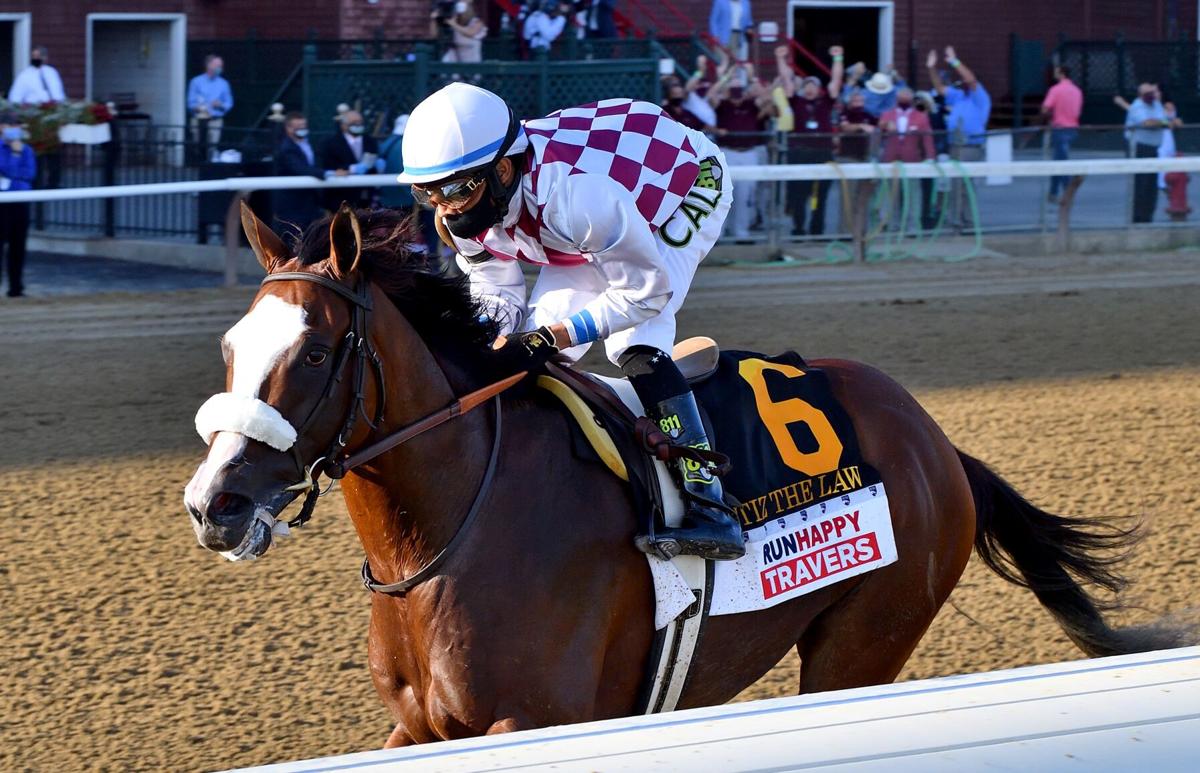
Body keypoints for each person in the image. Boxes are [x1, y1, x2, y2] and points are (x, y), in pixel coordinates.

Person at [396, 83, 744, 560]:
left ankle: (709, 503)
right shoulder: (462, 210)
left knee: (634, 344)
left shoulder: (576, 198)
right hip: (590, 223)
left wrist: (555, 334)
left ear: (501, 170)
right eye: (427, 191)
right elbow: (497, 287)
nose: (443, 205)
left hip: (683, 184)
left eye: (456, 188)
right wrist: (493, 343)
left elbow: (645, 294)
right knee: (521, 357)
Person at [777, 44, 844, 236]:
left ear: (819, 89)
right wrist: (781, 59)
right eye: (807, 85)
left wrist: (838, 59)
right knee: (799, 194)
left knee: (820, 194)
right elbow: (786, 80)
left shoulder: (825, 102)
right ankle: (798, 228)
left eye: (813, 86)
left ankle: (817, 229)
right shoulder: (797, 101)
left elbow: (836, 81)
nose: (810, 89)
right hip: (800, 152)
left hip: (823, 152)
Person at [709, 64, 775, 240]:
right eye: (733, 87)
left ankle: (741, 233)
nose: (736, 90)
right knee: (722, 195)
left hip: (748, 152)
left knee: (745, 195)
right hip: (727, 152)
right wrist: (726, 77)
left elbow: (768, 99)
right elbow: (711, 96)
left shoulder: (751, 105)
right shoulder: (723, 105)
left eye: (739, 87)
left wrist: (752, 77)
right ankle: (719, 234)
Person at [928, 46, 990, 230]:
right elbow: (939, 88)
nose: (962, 81)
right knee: (955, 185)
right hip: (955, 144)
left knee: (965, 186)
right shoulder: (958, 97)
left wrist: (954, 61)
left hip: (971, 145)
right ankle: (957, 220)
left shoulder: (980, 97)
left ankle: (967, 221)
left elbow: (970, 80)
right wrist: (931, 68)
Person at [378, 114, 440, 256]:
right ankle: (433, 259)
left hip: (391, 199)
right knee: (429, 229)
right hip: (412, 197)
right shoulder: (409, 144)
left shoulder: (387, 144)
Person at [881, 88, 936, 230]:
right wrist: (885, 126)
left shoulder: (921, 116)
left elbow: (927, 138)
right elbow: (878, 132)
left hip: (912, 160)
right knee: (890, 194)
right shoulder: (887, 115)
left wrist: (930, 157)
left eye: (906, 97)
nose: (904, 100)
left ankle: (913, 226)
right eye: (901, 97)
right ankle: (891, 225)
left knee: (913, 194)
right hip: (891, 160)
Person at [272, 112, 331, 234]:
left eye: (304, 125)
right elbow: (300, 168)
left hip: (309, 202)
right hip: (292, 204)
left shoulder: (308, 144)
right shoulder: (286, 148)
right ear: (288, 128)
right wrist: (329, 173)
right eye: (298, 126)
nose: (302, 129)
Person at [1119, 83, 1168, 223]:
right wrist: (1163, 122)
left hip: (1153, 148)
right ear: (1141, 95)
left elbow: (1163, 120)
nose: (1152, 95)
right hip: (1138, 148)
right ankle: (1137, 217)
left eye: (1153, 92)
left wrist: (1161, 122)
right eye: (1148, 93)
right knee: (1140, 184)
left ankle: (1148, 216)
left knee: (1151, 185)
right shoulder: (1137, 106)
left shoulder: (1156, 105)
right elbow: (1147, 123)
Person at [0, 114, 35, 298]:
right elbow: (8, 169)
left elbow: (29, 174)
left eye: (16, 125)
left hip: (20, 202)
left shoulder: (27, 150)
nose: (14, 128)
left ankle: (16, 288)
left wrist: (18, 155)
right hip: (2, 203)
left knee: (18, 247)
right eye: (9, 125)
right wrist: (15, 154)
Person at [319, 110, 380, 210]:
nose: (358, 125)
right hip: (339, 198)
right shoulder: (330, 143)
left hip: (364, 198)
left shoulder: (370, 141)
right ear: (343, 125)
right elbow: (328, 165)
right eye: (354, 123)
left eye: (360, 122)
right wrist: (351, 169)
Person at [1042, 65, 1083, 203]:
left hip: (1059, 128)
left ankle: (1066, 190)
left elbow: (1045, 108)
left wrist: (1052, 115)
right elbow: (1077, 112)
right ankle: (1054, 192)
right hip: (1072, 128)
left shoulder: (1055, 90)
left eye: (1056, 72)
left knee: (1061, 162)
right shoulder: (1077, 91)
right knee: (1059, 160)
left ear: (1061, 74)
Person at [187, 54, 233, 152]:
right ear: (209, 65)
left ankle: (210, 165)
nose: (220, 68)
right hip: (199, 120)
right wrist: (200, 107)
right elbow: (191, 103)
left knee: (212, 148)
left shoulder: (224, 84)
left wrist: (220, 105)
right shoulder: (196, 82)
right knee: (198, 149)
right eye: (218, 66)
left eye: (221, 66)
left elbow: (229, 103)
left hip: (215, 121)